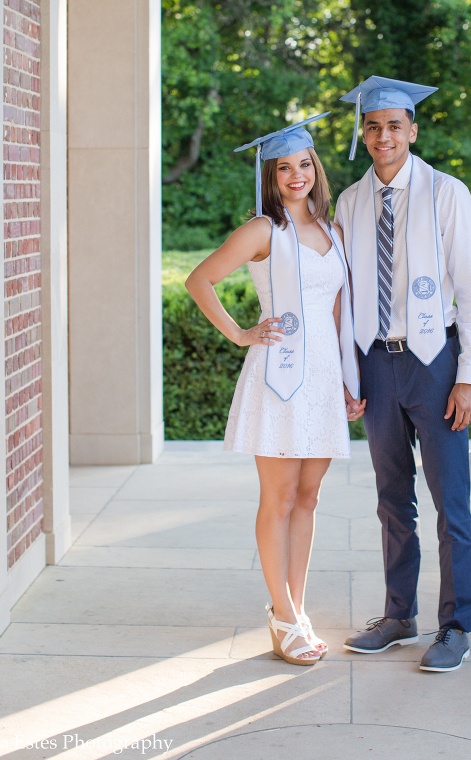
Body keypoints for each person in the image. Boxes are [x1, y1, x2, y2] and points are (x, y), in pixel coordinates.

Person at [185, 114, 363, 667]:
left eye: (304, 164)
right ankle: (282, 615)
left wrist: (348, 383)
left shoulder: (333, 232)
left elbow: (339, 312)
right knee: (279, 499)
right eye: (283, 167)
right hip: (279, 377)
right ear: (271, 174)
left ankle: (296, 610)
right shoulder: (264, 230)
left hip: (322, 380)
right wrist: (241, 333)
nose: (295, 175)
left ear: (317, 168)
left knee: (309, 498)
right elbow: (200, 279)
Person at [334, 76, 471, 672]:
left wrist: (470, 374)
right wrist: (349, 373)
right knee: (391, 498)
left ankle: (455, 626)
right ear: (364, 134)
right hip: (377, 363)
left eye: (394, 126)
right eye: (373, 127)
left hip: (435, 361)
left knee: (451, 500)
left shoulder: (446, 193)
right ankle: (399, 614)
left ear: (412, 131)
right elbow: (344, 296)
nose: (383, 136)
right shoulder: (350, 203)